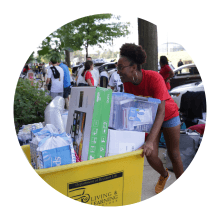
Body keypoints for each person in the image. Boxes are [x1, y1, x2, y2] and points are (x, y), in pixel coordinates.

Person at [118, 43, 183, 194]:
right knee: (150, 154)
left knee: (173, 154)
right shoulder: (127, 84)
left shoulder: (154, 77)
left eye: (121, 67)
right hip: (149, 119)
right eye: (117, 67)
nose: (118, 71)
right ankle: (164, 174)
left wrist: (149, 140)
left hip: (168, 115)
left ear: (133, 67)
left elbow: (161, 110)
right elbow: (134, 108)